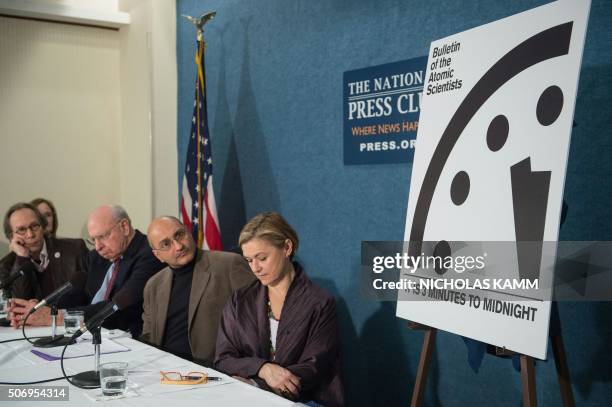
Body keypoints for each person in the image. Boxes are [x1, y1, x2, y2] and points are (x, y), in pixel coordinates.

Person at [214, 212, 344, 406]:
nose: (255, 268)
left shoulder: (320, 302)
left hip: (307, 399)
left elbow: (312, 369)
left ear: (287, 247)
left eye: (262, 258)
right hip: (249, 395)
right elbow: (223, 359)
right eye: (249, 260)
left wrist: (254, 383)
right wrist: (263, 368)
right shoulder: (239, 300)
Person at [9, 205, 165, 338]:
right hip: (91, 334)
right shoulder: (98, 257)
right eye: (93, 240)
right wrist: (43, 308)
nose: (98, 247)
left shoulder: (149, 255)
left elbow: (116, 308)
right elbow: (75, 293)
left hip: (128, 338)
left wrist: (54, 317)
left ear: (124, 227)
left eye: (103, 237)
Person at [140, 216, 255, 366]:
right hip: (164, 370)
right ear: (157, 255)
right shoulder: (153, 285)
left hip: (213, 370)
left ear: (188, 231)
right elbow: (148, 336)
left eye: (179, 235)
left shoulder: (229, 265)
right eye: (166, 244)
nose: (178, 246)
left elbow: (257, 321)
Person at [0, 202, 87, 307]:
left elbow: (89, 296)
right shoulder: (5, 266)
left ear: (43, 227)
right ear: (11, 237)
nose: (30, 234)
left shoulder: (74, 249)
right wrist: (22, 258)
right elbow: (19, 306)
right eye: (21, 230)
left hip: (69, 320)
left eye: (34, 226)